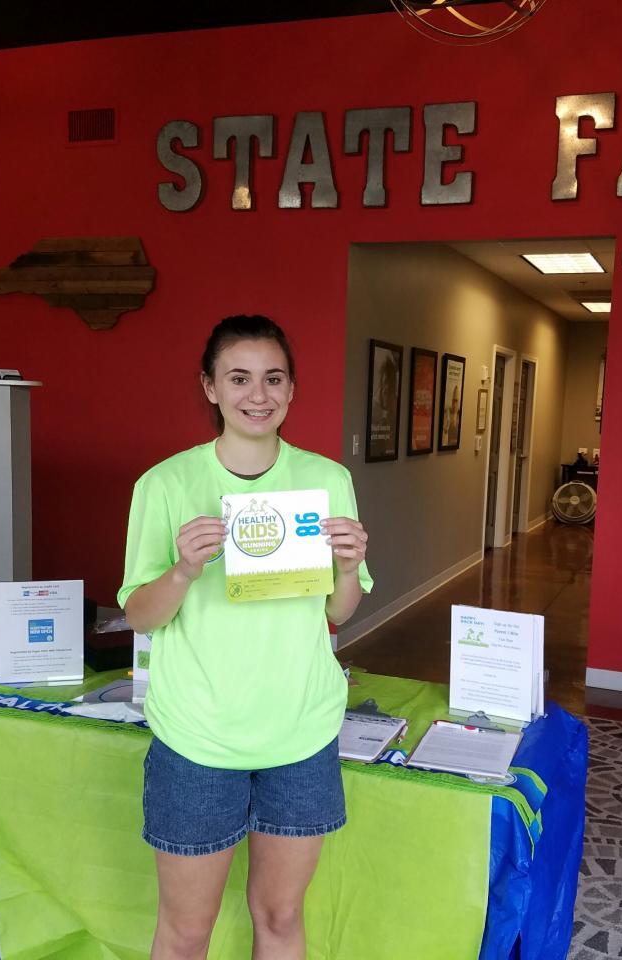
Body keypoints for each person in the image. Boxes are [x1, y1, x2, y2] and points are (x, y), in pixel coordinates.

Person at [118, 314, 372, 960]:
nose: (258, 395)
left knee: (281, 916)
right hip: (198, 736)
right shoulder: (166, 484)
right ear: (210, 387)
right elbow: (141, 615)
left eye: (273, 378)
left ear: (291, 389)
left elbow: (338, 611)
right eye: (239, 378)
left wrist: (348, 567)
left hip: (302, 732)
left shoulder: (327, 481)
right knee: (186, 932)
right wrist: (182, 570)